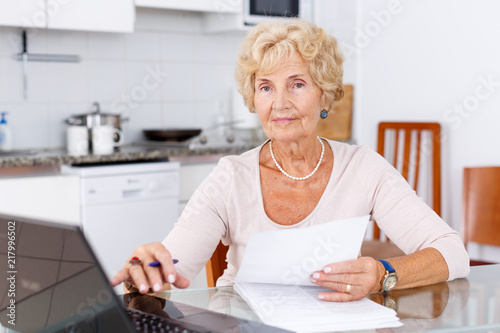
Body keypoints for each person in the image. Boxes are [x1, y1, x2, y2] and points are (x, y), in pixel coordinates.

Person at [111, 19, 470, 302]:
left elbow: (452, 253)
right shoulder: (230, 178)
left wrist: (383, 273)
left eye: (297, 84)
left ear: (325, 95)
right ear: (254, 98)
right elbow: (170, 274)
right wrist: (147, 272)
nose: (279, 103)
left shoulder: (363, 168)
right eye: (266, 87)